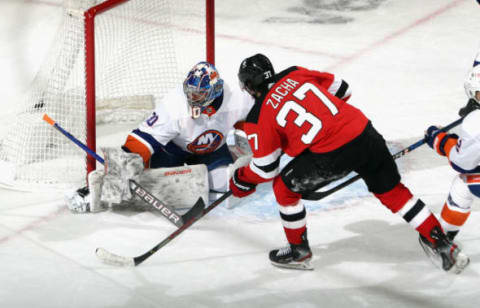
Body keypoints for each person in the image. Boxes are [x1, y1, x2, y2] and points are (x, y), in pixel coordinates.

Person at [228, 53, 470, 273]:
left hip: (331, 153)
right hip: (364, 132)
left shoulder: (258, 116)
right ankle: (441, 243)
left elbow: (265, 168)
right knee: (393, 192)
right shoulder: (294, 72)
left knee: (283, 187)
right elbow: (343, 90)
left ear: (249, 87)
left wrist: (241, 180)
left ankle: (298, 252)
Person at [66, 61, 253, 213]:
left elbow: (258, 123)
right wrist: (115, 175)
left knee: (227, 184)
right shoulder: (175, 105)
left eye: (199, 94)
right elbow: (140, 143)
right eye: (190, 92)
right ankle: (94, 187)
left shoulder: (237, 101)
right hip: (172, 149)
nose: (193, 98)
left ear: (216, 90)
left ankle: (230, 159)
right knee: (141, 177)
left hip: (213, 150)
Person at [423, 66, 480, 243]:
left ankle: (442, 240)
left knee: (463, 186)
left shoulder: (476, 121)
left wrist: (439, 140)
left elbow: (462, 163)